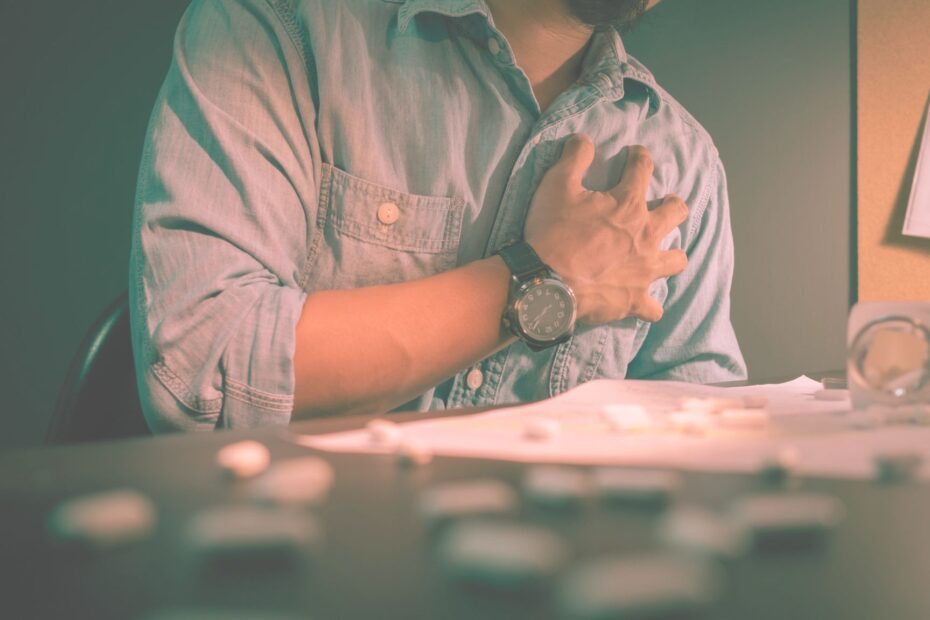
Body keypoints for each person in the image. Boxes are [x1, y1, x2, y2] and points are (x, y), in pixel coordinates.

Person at [129, 0, 746, 432]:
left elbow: (700, 434)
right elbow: (202, 371)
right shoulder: (274, 31)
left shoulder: (684, 162)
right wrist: (547, 278)